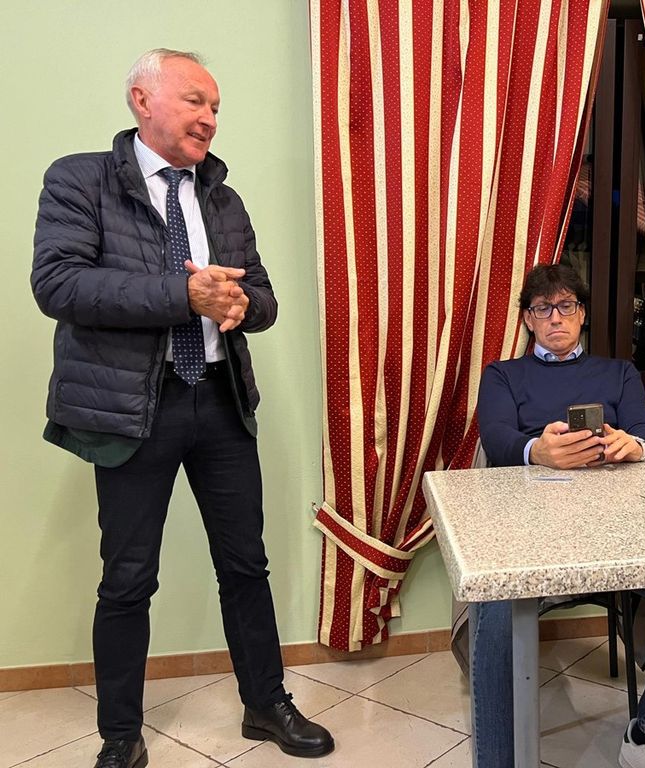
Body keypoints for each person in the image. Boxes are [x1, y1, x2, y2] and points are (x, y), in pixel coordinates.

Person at [30, 50, 334, 768]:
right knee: (128, 578)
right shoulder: (79, 179)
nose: (210, 119)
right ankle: (120, 736)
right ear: (142, 99)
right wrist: (182, 294)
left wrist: (242, 304)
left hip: (220, 402)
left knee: (246, 564)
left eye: (216, 108)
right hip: (133, 411)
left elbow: (264, 296)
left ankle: (266, 703)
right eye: (196, 101)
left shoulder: (222, 199)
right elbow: (58, 284)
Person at [474, 263, 645, 768]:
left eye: (566, 306)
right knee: (495, 604)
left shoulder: (618, 372)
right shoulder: (503, 374)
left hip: (616, 527)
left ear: (582, 313)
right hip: (527, 530)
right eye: (542, 308)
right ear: (528, 319)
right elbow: (497, 438)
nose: (555, 317)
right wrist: (536, 451)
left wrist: (631, 445)